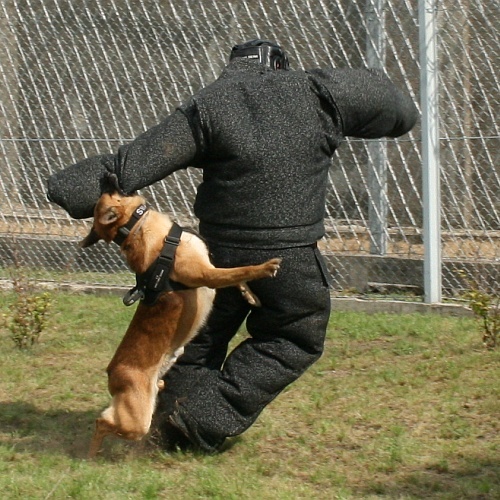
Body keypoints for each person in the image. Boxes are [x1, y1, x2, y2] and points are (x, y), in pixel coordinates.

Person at [47, 39, 418, 453]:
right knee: (293, 337)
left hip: (213, 250)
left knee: (205, 336)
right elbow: (399, 112)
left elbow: (135, 162)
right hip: (288, 251)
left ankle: (168, 423)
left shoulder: (213, 103)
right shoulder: (316, 92)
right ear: (281, 67)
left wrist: (67, 190)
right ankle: (201, 420)